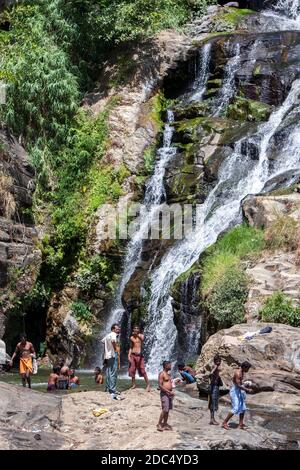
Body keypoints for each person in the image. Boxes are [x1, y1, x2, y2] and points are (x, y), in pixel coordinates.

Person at [222, 361, 252, 430]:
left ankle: (240, 424)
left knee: (243, 408)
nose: (248, 370)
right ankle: (224, 422)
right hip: (235, 391)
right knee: (236, 408)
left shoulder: (242, 372)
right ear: (244, 367)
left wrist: (244, 384)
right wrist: (247, 389)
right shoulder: (238, 373)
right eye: (247, 368)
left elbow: (240, 383)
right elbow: (238, 385)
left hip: (238, 390)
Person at [101, 323, 122, 400]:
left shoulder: (107, 335)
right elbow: (113, 341)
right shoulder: (113, 334)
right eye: (117, 329)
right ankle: (112, 390)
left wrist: (107, 349)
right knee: (113, 372)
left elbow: (102, 341)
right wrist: (115, 349)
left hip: (107, 355)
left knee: (108, 371)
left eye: (119, 329)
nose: (118, 330)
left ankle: (107, 387)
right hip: (113, 355)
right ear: (113, 329)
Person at [128, 325, 151, 392]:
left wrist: (137, 335)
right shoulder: (131, 337)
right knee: (132, 370)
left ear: (139, 330)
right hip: (133, 355)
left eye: (137, 328)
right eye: (135, 328)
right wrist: (128, 355)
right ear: (133, 329)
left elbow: (142, 340)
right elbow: (131, 347)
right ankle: (134, 385)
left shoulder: (141, 335)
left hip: (140, 356)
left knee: (142, 370)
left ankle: (148, 385)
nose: (136, 329)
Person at [157, 360, 175, 432]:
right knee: (165, 409)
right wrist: (168, 391)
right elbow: (160, 385)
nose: (170, 366)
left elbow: (169, 384)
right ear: (165, 366)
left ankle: (165, 424)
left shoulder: (168, 375)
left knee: (168, 410)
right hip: (165, 394)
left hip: (169, 394)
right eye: (169, 365)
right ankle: (159, 424)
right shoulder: (162, 374)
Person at [208, 354, 222, 425]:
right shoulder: (215, 366)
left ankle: (212, 419)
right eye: (217, 361)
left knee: (212, 402)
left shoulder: (215, 366)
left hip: (214, 386)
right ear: (214, 361)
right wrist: (211, 374)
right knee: (213, 402)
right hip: (214, 386)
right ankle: (212, 420)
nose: (219, 362)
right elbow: (212, 372)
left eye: (220, 361)